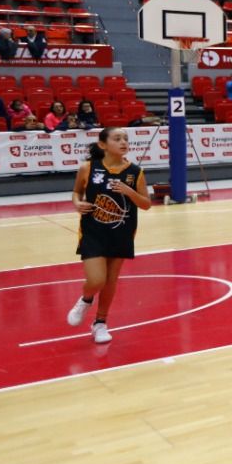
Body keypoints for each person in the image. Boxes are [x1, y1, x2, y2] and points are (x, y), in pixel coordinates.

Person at [66, 127, 152, 344]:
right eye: (117, 139)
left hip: (121, 232)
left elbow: (146, 204)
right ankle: (86, 299)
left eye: (125, 139)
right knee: (96, 280)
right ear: (103, 145)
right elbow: (77, 192)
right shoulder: (87, 168)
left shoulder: (135, 172)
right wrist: (77, 203)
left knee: (111, 280)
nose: (123, 142)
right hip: (93, 230)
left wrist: (129, 191)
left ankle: (100, 323)